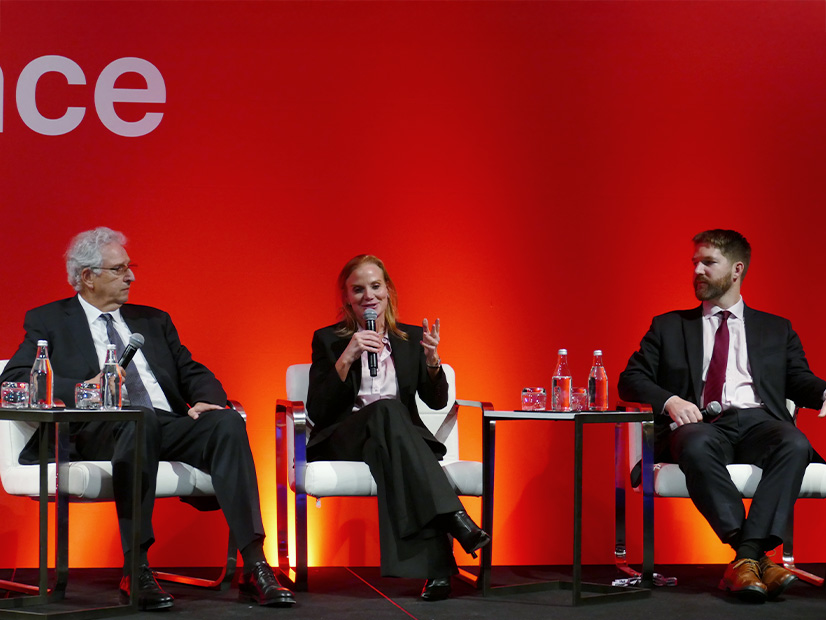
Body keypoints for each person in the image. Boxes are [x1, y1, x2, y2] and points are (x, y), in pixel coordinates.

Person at [0, 227, 295, 610]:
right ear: (87, 277)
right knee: (139, 418)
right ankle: (136, 566)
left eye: (129, 267)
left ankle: (254, 566)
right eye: (119, 269)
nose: (131, 277)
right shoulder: (50, 320)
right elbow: (16, 377)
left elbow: (191, 370)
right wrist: (85, 388)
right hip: (96, 429)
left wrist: (207, 400)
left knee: (226, 423)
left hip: (161, 424)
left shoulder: (152, 320)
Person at [618, 229, 826, 603]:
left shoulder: (775, 329)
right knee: (695, 443)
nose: (698, 269)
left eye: (708, 262)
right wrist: (670, 400)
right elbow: (630, 380)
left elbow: (799, 380)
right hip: (701, 425)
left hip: (760, 423)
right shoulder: (669, 326)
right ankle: (757, 558)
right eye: (695, 262)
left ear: (736, 269)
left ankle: (746, 559)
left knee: (795, 442)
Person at [306, 254, 489, 602]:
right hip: (345, 436)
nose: (368, 296)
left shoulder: (411, 339)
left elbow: (436, 403)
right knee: (386, 410)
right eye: (358, 290)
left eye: (375, 287)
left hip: (392, 441)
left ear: (388, 291)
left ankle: (437, 570)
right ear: (346, 297)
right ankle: (455, 518)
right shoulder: (329, 340)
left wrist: (433, 365)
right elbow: (318, 409)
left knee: (387, 446)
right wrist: (347, 357)